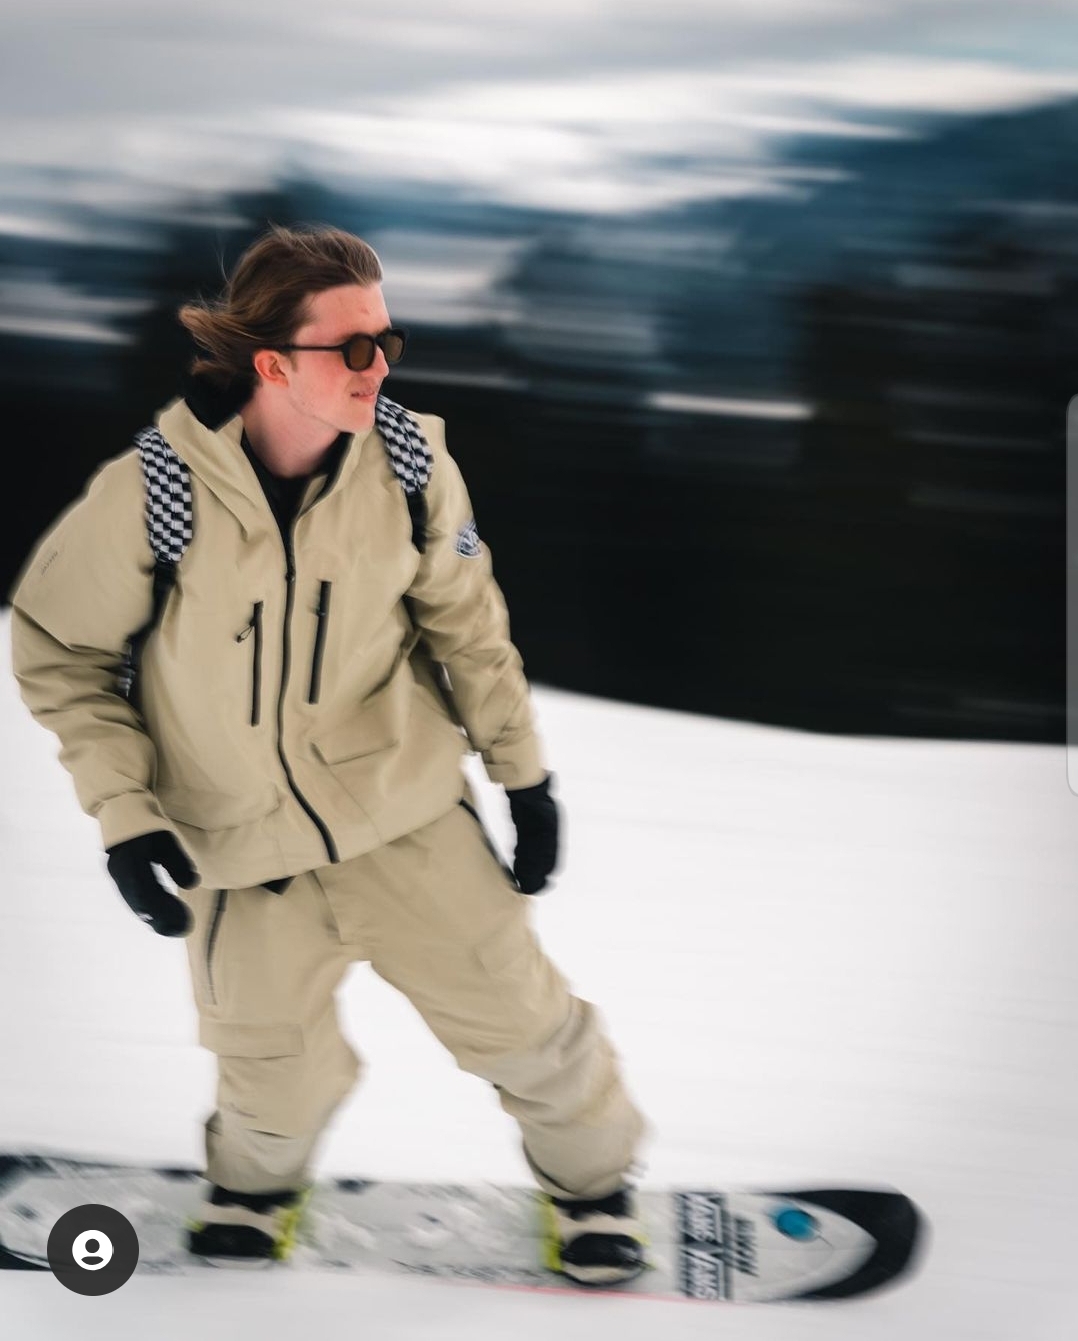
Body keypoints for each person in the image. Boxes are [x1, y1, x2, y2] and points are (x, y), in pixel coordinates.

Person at [7, 222, 650, 1284]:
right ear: (272, 365)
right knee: (268, 1072)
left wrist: (523, 776)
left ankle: (595, 1190)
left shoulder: (410, 466)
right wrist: (126, 816)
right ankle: (255, 1190)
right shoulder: (156, 494)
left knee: (527, 1027)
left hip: (403, 814)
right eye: (353, 348)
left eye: (387, 342)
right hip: (237, 843)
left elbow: (470, 631)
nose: (379, 367)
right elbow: (59, 657)